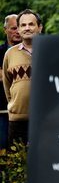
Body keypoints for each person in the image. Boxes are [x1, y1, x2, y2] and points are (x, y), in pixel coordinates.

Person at [2, 9, 43, 147]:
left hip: (45, 119)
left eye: (31, 24)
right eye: (23, 25)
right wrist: (14, 105)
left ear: (40, 27)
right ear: (18, 29)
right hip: (17, 120)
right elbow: (7, 85)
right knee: (16, 164)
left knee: (45, 162)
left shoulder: (50, 50)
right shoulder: (10, 54)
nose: (27, 28)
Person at [0, 14, 21, 149]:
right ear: (5, 30)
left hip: (23, 112)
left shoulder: (31, 52)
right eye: (13, 28)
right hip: (2, 110)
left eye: (19, 28)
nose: (17, 32)